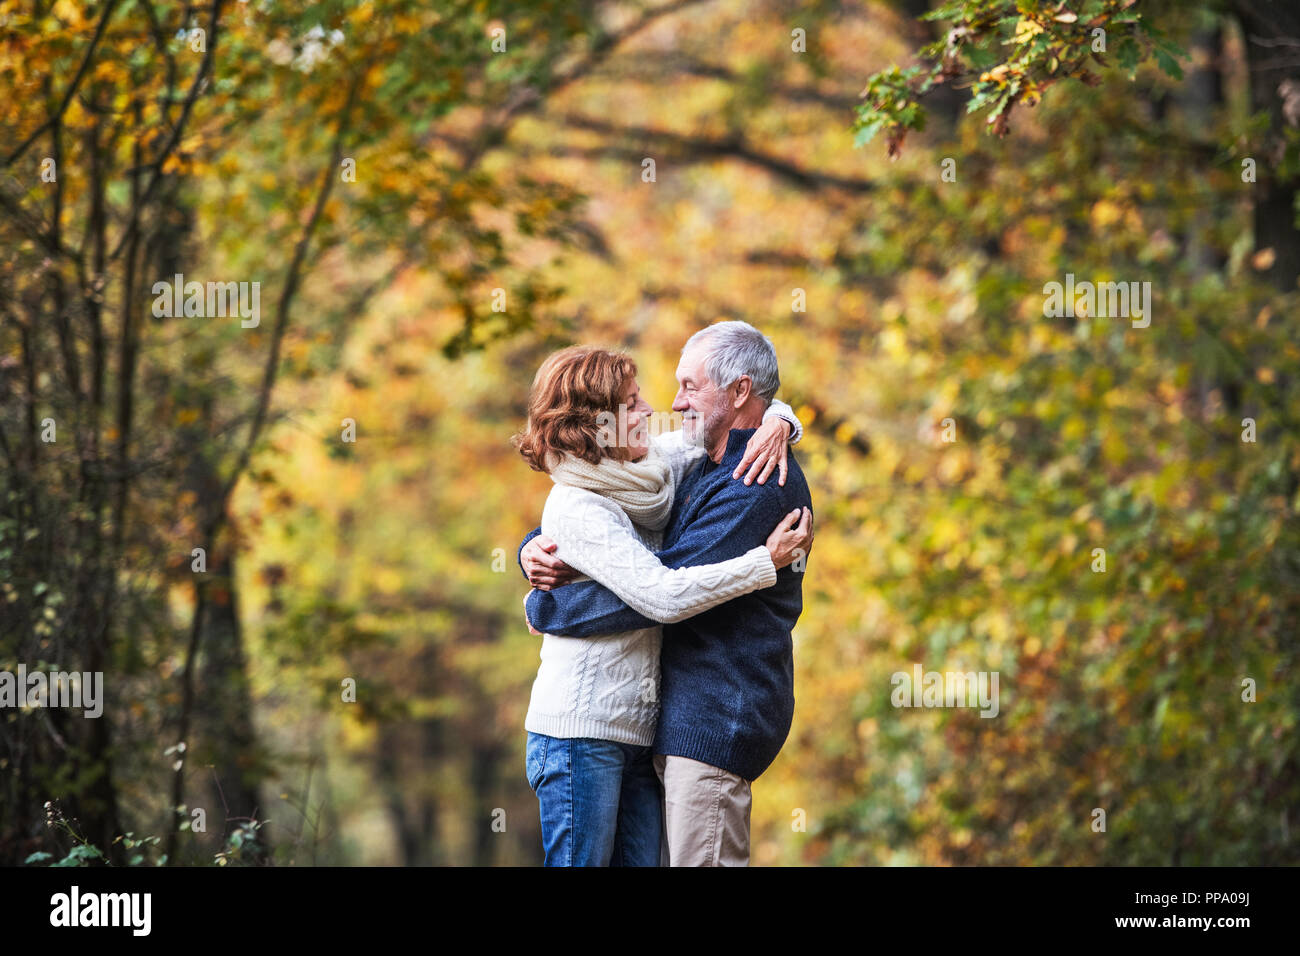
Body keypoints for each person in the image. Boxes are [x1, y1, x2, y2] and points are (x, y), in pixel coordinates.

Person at [520, 321, 815, 866]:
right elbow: (656, 587)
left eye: (682, 387)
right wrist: (762, 563)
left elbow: (739, 411)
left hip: (651, 727)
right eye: (634, 405)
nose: (659, 408)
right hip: (583, 729)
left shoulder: (666, 471)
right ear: (597, 426)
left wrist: (782, 419)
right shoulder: (587, 499)